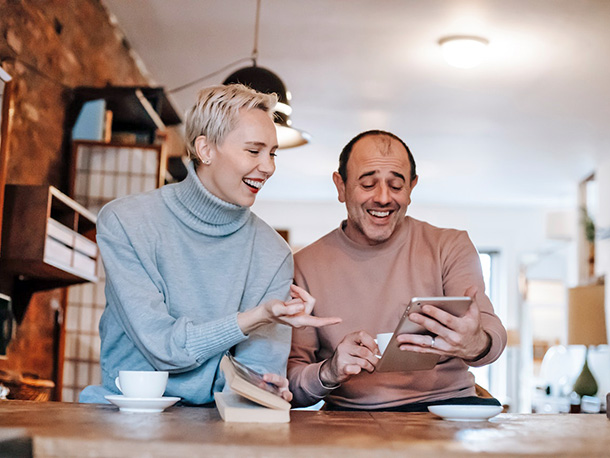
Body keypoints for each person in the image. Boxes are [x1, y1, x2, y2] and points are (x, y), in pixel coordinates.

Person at [80, 84, 340, 405]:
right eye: (253, 151)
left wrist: (262, 387)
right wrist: (255, 317)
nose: (269, 167)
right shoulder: (126, 221)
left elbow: (255, 377)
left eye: (272, 153)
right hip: (127, 415)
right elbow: (163, 348)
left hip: (221, 422)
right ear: (205, 149)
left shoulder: (272, 252)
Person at [288, 130, 507, 411]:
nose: (382, 198)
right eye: (367, 184)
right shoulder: (305, 265)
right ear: (340, 186)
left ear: (412, 188)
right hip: (352, 417)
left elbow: (491, 331)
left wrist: (475, 343)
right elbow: (292, 386)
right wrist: (329, 371)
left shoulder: (450, 245)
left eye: (396, 185)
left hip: (446, 406)